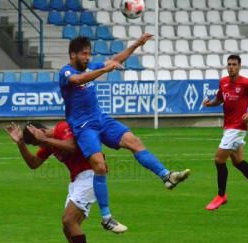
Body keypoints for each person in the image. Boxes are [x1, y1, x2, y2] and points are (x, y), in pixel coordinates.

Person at [59, 34, 191, 229]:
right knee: (99, 166)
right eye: (84, 54)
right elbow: (79, 80)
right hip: (83, 126)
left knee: (134, 142)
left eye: (89, 54)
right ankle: (106, 218)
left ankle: (167, 176)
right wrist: (105, 68)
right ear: (73, 54)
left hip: (100, 119)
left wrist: (137, 44)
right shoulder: (66, 72)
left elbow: (116, 59)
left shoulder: (90, 66)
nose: (87, 57)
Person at [5, 121, 102, 243]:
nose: (39, 146)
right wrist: (21, 143)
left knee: (69, 220)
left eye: (36, 143)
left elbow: (72, 147)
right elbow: (34, 163)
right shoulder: (48, 143)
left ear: (40, 131)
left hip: (91, 174)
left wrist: (43, 140)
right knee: (67, 227)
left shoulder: (62, 128)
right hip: (77, 180)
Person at [203, 54, 248, 211]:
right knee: (238, 162)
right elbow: (220, 99)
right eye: (229, 64)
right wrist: (210, 104)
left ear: (239, 66)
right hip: (228, 127)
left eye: (234, 64)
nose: (231, 67)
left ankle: (221, 195)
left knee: (219, 160)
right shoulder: (223, 82)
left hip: (238, 127)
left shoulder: (246, 83)